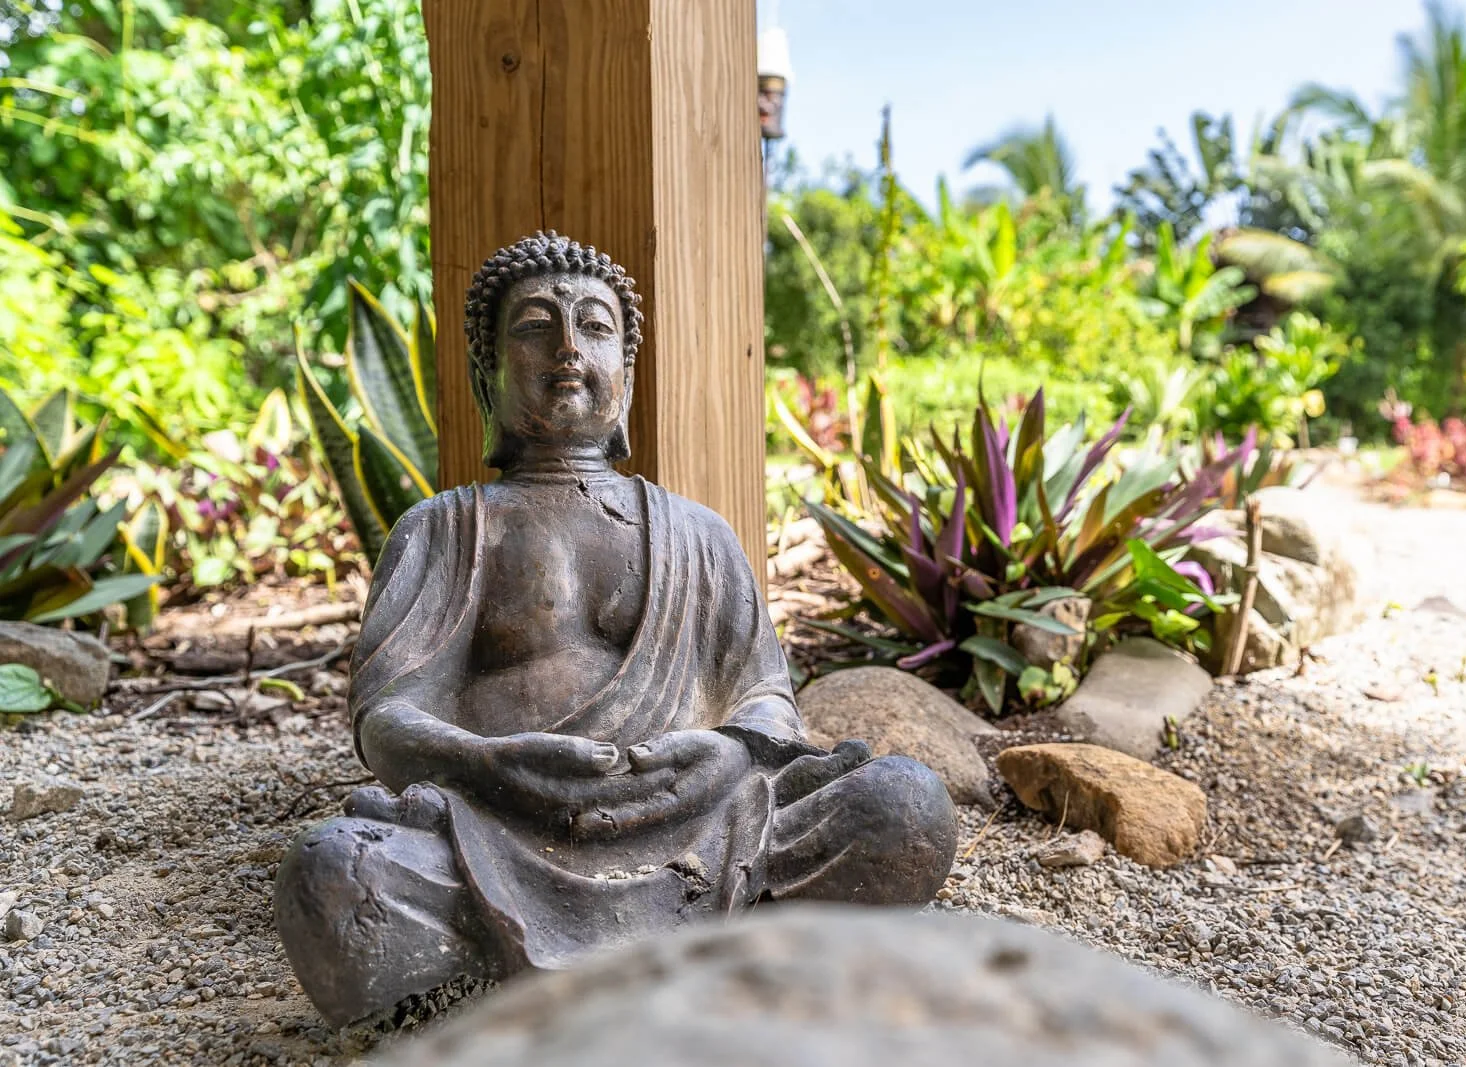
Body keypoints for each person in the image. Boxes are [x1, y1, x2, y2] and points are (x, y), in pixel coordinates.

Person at [273, 232, 958, 1027]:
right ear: (485, 373)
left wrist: (724, 750)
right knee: (334, 872)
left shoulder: (698, 534)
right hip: (500, 827)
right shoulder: (447, 528)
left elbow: (766, 699)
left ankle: (600, 950)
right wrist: (495, 763)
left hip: (700, 820)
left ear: (626, 373)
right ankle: (723, 943)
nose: (567, 348)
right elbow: (388, 718)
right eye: (533, 327)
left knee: (905, 804)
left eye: (595, 327)